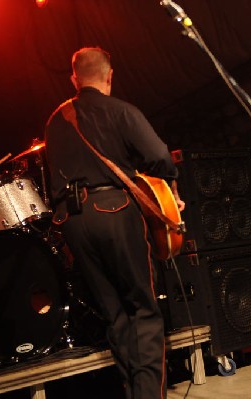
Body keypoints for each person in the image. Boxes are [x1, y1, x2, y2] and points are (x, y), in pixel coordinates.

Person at [43, 47, 183, 399]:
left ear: (74, 79)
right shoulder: (121, 110)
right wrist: (166, 181)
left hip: (72, 220)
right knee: (144, 307)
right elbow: (160, 156)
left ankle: (133, 391)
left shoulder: (55, 120)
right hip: (114, 209)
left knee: (113, 313)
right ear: (109, 75)